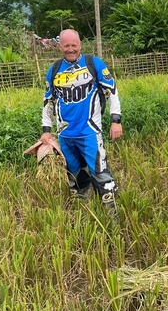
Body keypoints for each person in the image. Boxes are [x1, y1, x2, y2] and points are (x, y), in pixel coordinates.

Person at [40, 29, 122, 220]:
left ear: (80, 45)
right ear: (60, 46)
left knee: (100, 173)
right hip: (65, 135)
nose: (70, 49)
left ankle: (113, 217)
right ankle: (84, 213)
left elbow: (112, 92)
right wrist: (46, 130)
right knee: (74, 175)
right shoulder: (54, 69)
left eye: (73, 45)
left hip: (89, 132)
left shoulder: (94, 64)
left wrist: (116, 120)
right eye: (66, 45)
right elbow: (48, 101)